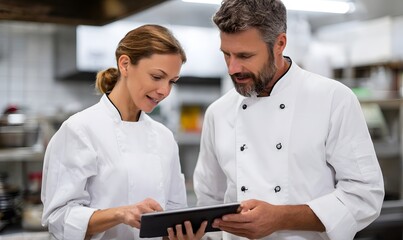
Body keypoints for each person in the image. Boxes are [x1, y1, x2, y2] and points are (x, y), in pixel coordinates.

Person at [193, 1, 384, 240]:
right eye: (226, 54)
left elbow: (364, 195)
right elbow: (209, 201)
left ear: (280, 44)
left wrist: (281, 218)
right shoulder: (218, 113)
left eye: (245, 56)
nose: (232, 68)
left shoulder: (334, 99)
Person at [41, 24, 206, 240]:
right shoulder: (79, 130)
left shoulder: (164, 137)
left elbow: (173, 214)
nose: (165, 91)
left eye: (171, 82)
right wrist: (120, 213)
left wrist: (180, 235)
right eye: (157, 77)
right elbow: (59, 218)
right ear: (125, 64)